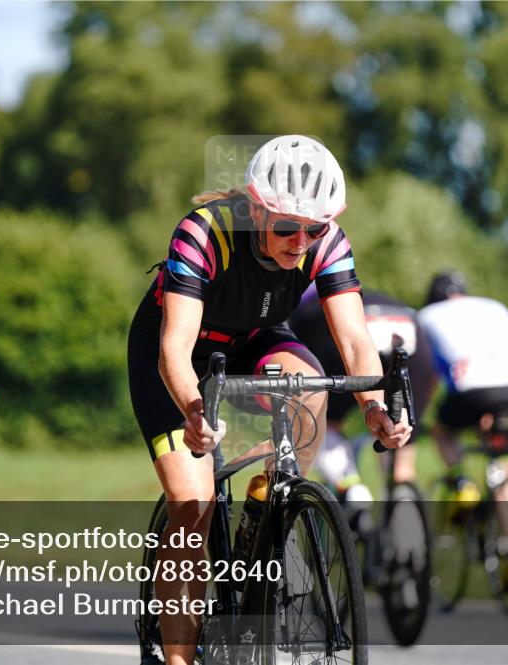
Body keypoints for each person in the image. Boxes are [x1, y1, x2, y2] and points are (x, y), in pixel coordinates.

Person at [128, 135, 412, 665]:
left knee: (311, 387)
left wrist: (374, 406)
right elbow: (174, 350)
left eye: (315, 228)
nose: (301, 241)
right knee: (193, 506)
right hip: (175, 354)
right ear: (256, 209)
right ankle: (178, 658)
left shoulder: (327, 242)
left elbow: (355, 341)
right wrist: (193, 409)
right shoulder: (205, 232)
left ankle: (269, 499)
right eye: (286, 227)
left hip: (254, 338)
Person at [289, 287, 436, 529]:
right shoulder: (350, 287)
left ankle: (350, 485)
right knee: (399, 444)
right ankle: (403, 506)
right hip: (408, 331)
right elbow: (430, 377)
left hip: (349, 330)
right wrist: (413, 413)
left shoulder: (305, 305)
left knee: (325, 422)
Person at [417, 272, 508, 540]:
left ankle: (462, 482)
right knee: (505, 466)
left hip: (471, 388)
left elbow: (429, 374)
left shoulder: (427, 316)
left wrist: (419, 411)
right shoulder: (495, 307)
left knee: (443, 432)